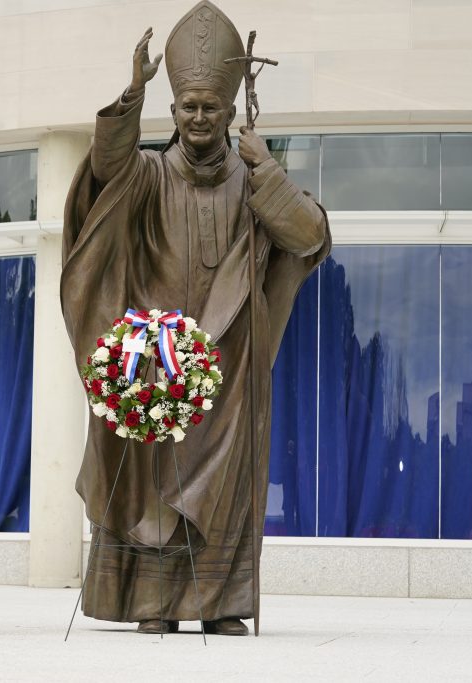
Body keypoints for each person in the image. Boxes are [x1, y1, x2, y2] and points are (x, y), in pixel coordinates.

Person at [60, 1, 331, 635]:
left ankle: (218, 606)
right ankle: (155, 606)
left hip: (230, 362)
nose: (200, 117)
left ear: (232, 113)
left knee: (226, 486)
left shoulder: (253, 179)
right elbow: (104, 173)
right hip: (157, 357)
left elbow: (308, 236)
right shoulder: (149, 172)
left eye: (212, 106)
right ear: (174, 111)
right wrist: (132, 95)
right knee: (156, 481)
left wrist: (266, 169)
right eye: (188, 107)